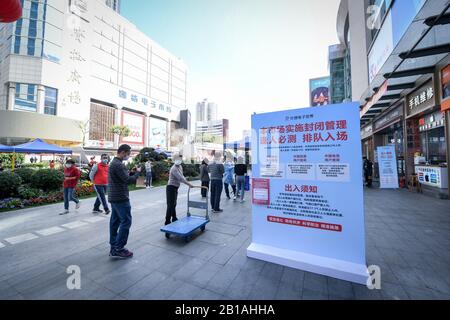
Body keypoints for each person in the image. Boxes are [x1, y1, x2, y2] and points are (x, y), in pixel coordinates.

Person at [108, 144, 141, 259]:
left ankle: (113, 246)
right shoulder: (118, 165)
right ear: (122, 152)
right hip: (121, 197)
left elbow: (122, 177)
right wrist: (137, 173)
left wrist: (131, 172)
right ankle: (119, 248)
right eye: (128, 154)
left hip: (114, 197)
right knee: (126, 222)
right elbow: (128, 180)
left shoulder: (114, 163)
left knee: (115, 221)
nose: (128, 156)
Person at [165, 154, 195, 231]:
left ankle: (174, 218)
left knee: (174, 204)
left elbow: (182, 176)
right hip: (170, 187)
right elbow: (181, 178)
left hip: (175, 188)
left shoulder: (180, 167)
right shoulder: (173, 169)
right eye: (177, 159)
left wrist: (187, 181)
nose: (179, 160)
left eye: (180, 159)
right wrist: (189, 184)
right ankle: (167, 222)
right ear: (174, 160)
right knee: (170, 205)